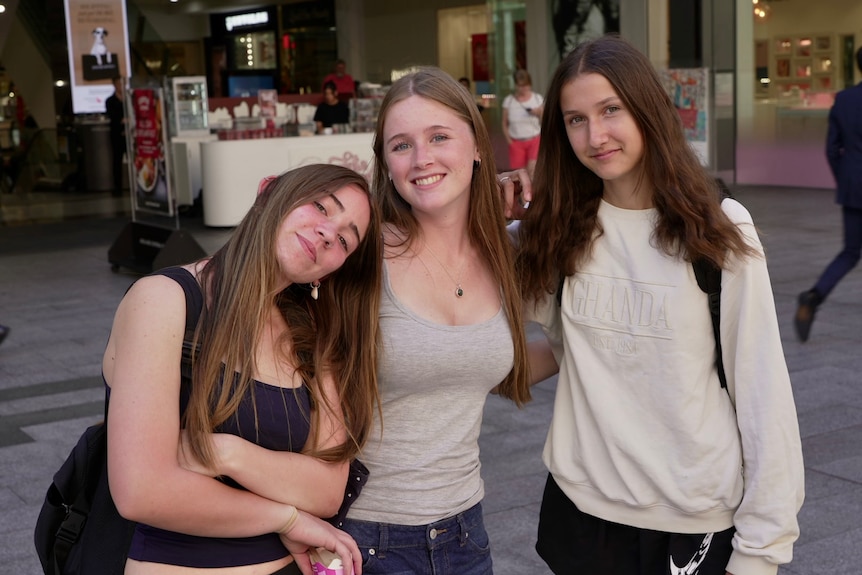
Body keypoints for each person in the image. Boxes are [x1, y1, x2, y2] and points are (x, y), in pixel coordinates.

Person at [513, 35, 804, 575]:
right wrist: (488, 205)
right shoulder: (556, 230)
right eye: (575, 119)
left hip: (690, 521)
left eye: (610, 110)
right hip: (581, 515)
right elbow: (453, 282)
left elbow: (762, 391)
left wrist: (761, 552)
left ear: (645, 107)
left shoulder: (717, 227)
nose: (595, 135)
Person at [104, 164, 383, 575]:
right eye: (321, 207)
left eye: (344, 239)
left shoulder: (312, 337)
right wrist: (286, 517)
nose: (328, 233)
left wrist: (225, 453)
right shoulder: (166, 301)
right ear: (268, 191)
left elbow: (325, 491)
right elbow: (141, 491)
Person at [338, 67, 532, 574]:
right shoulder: (360, 252)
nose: (422, 159)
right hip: (363, 537)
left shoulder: (505, 250)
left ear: (476, 144)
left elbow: (477, 364)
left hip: (467, 534)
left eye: (439, 136)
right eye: (401, 145)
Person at [794, 46, 862, 343]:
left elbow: (832, 149)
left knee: (849, 252)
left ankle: (812, 297)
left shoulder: (844, 100)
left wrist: (845, 178)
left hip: (853, 187)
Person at [501, 69, 543, 176]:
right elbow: (504, 122)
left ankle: (532, 192)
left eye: (526, 85)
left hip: (534, 140)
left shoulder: (537, 99)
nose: (523, 89)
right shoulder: (509, 101)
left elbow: (544, 120)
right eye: (520, 86)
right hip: (516, 142)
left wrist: (539, 112)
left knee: (532, 170)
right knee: (520, 174)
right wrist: (509, 141)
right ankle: (523, 192)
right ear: (516, 85)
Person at [105, 76, 126, 196]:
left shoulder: (128, 99)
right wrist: (121, 120)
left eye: (122, 83)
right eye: (118, 83)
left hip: (129, 134)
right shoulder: (110, 101)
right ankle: (117, 187)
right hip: (117, 134)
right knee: (117, 160)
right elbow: (113, 116)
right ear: (114, 84)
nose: (121, 86)